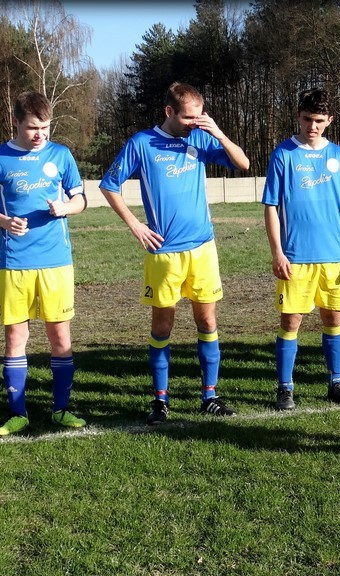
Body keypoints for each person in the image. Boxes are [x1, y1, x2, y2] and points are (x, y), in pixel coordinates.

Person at [100, 82, 249, 425]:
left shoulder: (200, 138)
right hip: (164, 253)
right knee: (162, 327)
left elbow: (243, 163)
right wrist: (135, 225)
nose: (193, 123)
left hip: (203, 249)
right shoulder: (142, 143)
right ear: (169, 111)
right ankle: (160, 400)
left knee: (207, 322)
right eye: (187, 118)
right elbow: (109, 185)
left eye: (199, 117)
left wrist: (217, 132)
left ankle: (209, 396)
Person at [0, 91, 88, 436]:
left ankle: (61, 410)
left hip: (56, 261)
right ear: (16, 123)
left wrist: (66, 208)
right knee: (16, 336)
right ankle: (17, 413)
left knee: (60, 336)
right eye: (33, 128)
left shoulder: (61, 155)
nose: (40, 135)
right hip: (14, 262)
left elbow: (81, 198)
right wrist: (4, 221)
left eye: (46, 127)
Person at [263, 88, 340, 410]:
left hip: (333, 257)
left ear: (330, 120)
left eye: (319, 120)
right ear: (298, 116)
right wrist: (278, 252)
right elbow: (271, 207)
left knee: (334, 320)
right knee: (291, 322)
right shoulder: (283, 155)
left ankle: (336, 383)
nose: (313, 126)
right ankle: (285, 388)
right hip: (295, 258)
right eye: (307, 119)